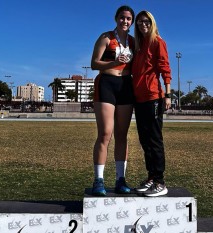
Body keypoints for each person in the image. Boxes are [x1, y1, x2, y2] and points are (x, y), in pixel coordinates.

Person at [90, 5, 135, 196]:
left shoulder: (133, 42)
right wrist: (115, 63)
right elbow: (94, 63)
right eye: (122, 18)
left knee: (122, 134)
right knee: (105, 133)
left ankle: (120, 179)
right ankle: (98, 180)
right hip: (106, 83)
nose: (125, 21)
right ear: (116, 18)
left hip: (125, 85)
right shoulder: (106, 37)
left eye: (128, 19)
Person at [132, 10, 172, 197]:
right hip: (139, 99)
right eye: (139, 22)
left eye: (146, 21)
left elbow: (165, 68)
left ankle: (160, 182)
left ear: (152, 22)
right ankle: (151, 178)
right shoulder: (139, 45)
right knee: (144, 140)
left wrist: (168, 94)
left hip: (154, 97)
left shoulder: (158, 41)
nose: (143, 24)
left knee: (155, 140)